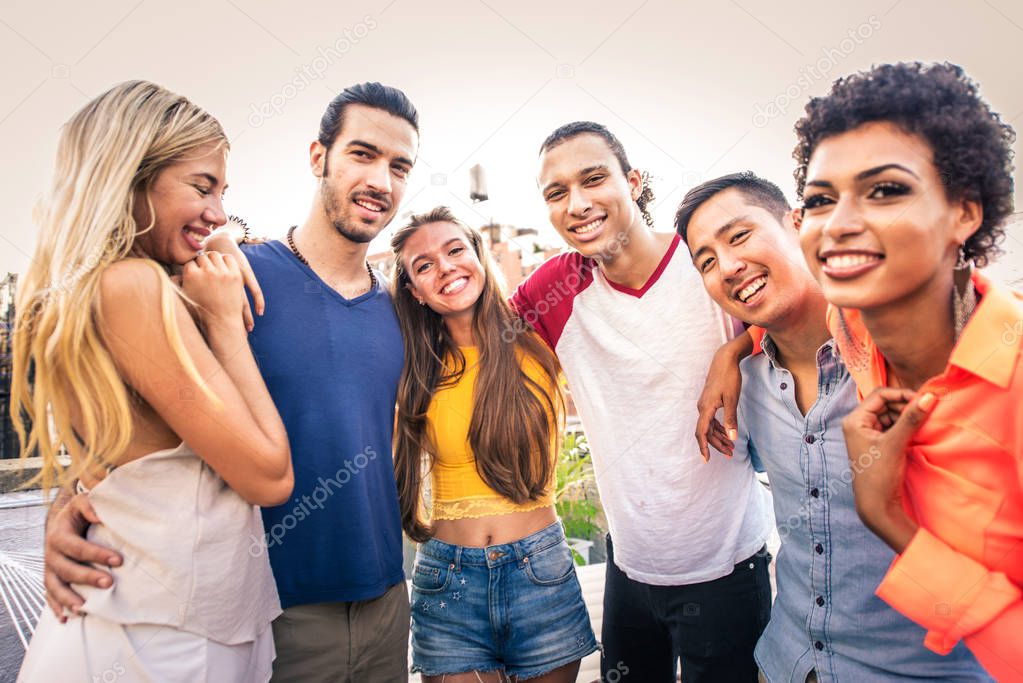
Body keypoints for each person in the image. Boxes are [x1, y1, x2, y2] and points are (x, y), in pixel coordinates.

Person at [41, 81, 419, 682]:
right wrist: (71, 501)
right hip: (273, 615)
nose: (382, 179)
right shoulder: (226, 278)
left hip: (387, 601)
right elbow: (130, 404)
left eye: (400, 166)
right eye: (363, 154)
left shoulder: (404, 305)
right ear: (319, 157)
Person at [13, 80, 292, 681]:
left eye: (224, 193)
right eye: (202, 186)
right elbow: (269, 475)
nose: (217, 210)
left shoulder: (103, 287)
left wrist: (219, 235)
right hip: (161, 644)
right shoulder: (134, 289)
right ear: (131, 178)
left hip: (155, 624)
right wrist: (224, 323)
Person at [677, 171, 990, 681]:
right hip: (786, 662)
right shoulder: (747, 383)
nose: (729, 266)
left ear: (799, 225)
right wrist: (733, 349)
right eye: (707, 262)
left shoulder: (909, 353)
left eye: (739, 236)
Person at [511, 122, 773, 681]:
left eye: (593, 179)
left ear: (632, 180)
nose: (577, 204)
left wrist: (737, 347)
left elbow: (799, 308)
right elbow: (468, 332)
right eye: (556, 193)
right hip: (628, 571)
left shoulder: (707, 265)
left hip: (728, 567)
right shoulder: (554, 290)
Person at [793, 61, 1022, 681]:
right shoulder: (858, 323)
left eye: (886, 190)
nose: (838, 223)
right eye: (819, 199)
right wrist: (727, 359)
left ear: (964, 213)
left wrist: (888, 518)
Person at [390, 206, 597, 681]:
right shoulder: (411, 364)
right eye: (424, 266)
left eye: (455, 250)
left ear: (479, 255)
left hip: (540, 574)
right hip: (448, 583)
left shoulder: (537, 332)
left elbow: (607, 254)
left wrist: (737, 347)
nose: (444, 267)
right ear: (414, 293)